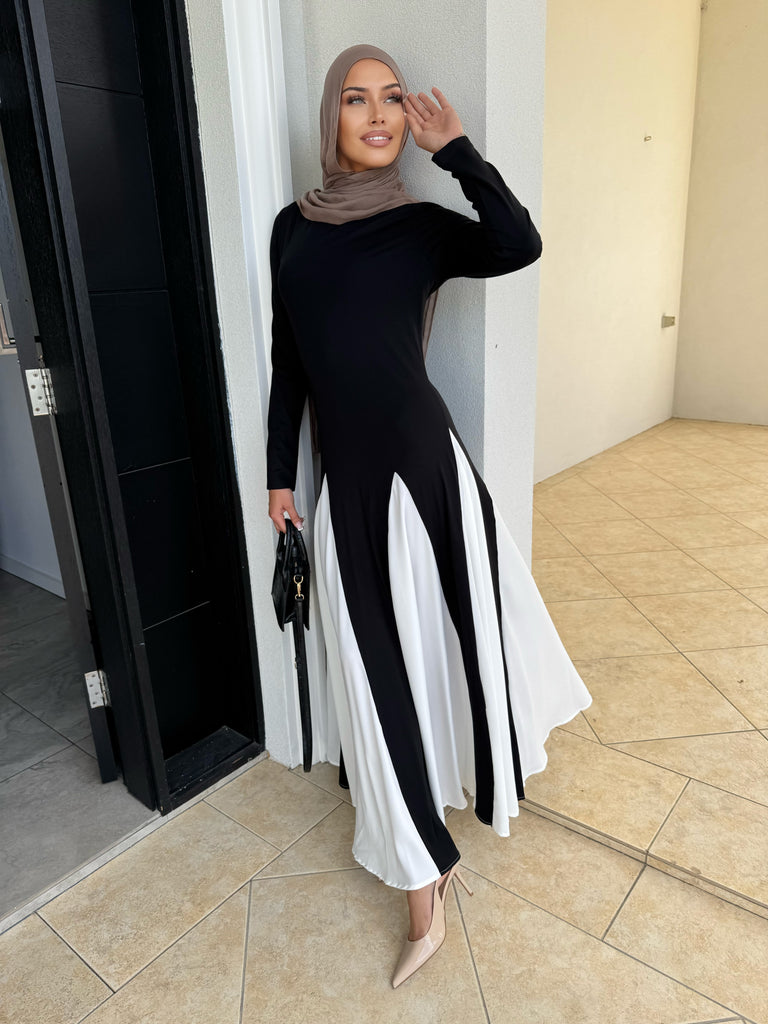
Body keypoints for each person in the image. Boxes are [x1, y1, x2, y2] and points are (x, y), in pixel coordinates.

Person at [266, 42, 592, 988]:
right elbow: (290, 361)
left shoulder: (421, 226)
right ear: (331, 117)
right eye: (355, 99)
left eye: (392, 99)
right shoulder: (292, 229)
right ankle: (423, 869)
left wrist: (457, 152)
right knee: (374, 677)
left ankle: (430, 878)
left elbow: (518, 243)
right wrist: (281, 476)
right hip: (346, 485)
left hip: (423, 472)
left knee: (439, 648)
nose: (377, 115)